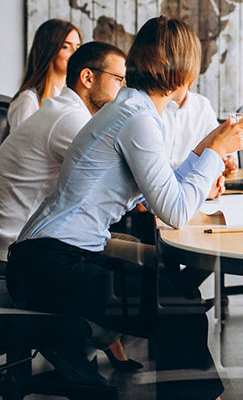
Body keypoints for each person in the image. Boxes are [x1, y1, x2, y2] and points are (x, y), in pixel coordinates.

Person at [6, 16, 243, 397]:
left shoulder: (132, 111)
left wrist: (210, 145)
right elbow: (173, 209)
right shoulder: (138, 118)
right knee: (182, 314)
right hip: (50, 264)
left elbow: (161, 188)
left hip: (48, 257)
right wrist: (216, 151)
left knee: (181, 300)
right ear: (183, 72)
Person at [0, 41, 142, 371]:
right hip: (20, 249)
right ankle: (82, 345)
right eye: (119, 79)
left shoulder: (58, 110)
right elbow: (128, 175)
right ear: (88, 78)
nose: (124, 90)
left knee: (126, 251)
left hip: (29, 240)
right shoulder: (70, 119)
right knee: (133, 262)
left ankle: (85, 350)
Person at [7, 19, 81, 131]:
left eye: (78, 47)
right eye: (66, 47)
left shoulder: (73, 98)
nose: (75, 54)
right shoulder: (28, 100)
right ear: (49, 50)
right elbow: (20, 147)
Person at [163, 85, 238, 173]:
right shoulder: (153, 105)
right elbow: (155, 166)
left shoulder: (202, 104)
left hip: (194, 179)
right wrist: (208, 164)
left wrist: (228, 161)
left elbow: (219, 140)